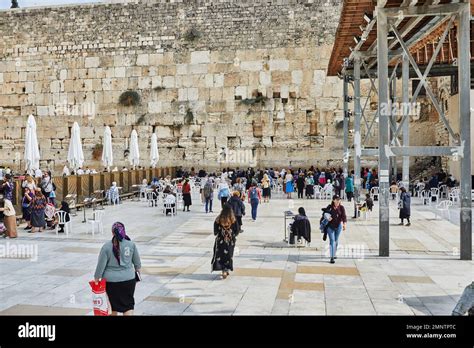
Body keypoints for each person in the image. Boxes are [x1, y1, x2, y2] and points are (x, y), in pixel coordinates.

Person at [94, 222, 141, 316]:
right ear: (124, 231)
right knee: (128, 306)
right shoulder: (131, 245)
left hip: (111, 282)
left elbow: (100, 267)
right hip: (128, 280)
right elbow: (137, 265)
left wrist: (96, 279)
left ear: (112, 233)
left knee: (112, 307)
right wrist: (137, 275)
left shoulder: (106, 247)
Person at [211, 205, 239, 279]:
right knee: (229, 255)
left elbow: (215, 231)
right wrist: (233, 235)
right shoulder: (233, 218)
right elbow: (237, 230)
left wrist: (218, 232)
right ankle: (226, 269)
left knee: (221, 255)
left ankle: (223, 269)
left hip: (221, 239)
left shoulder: (219, 218)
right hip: (230, 240)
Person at [325, 195, 347, 264]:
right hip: (330, 227)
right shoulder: (330, 207)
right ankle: (332, 257)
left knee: (336, 240)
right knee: (332, 240)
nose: (338, 201)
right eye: (337, 200)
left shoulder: (341, 207)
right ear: (333, 200)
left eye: (339, 200)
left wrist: (344, 224)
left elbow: (344, 216)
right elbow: (324, 214)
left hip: (338, 226)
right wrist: (327, 217)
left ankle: (334, 253)